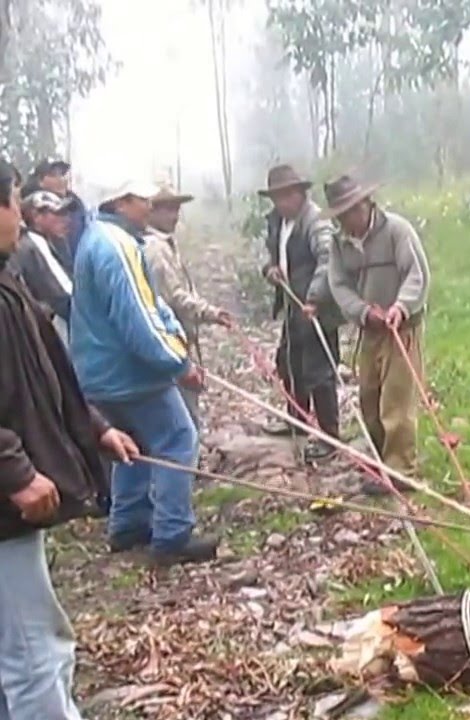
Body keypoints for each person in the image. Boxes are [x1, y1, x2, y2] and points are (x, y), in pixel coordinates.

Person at [0, 159, 139, 719]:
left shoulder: (7, 278)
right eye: (13, 201)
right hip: (5, 511)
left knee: (23, 652)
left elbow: (46, 371)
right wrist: (13, 469)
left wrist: (95, 428)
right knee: (36, 654)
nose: (20, 215)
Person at [70, 180, 216, 566]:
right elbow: (139, 320)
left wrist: (176, 343)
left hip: (100, 372)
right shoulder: (117, 248)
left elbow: (152, 305)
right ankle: (172, 534)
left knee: (130, 445)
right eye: (142, 199)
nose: (150, 205)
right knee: (177, 437)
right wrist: (178, 364)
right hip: (128, 373)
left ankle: (128, 524)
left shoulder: (98, 237)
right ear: (121, 202)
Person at [326, 174, 428, 478]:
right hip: (370, 329)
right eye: (341, 215)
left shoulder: (397, 230)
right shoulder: (338, 242)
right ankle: (380, 458)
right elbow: (339, 285)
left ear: (367, 204)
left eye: (352, 210)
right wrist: (362, 312)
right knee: (369, 397)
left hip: (402, 329)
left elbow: (416, 274)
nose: (348, 220)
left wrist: (401, 307)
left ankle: (400, 469)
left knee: (397, 400)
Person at [258, 165, 343, 461]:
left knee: (318, 372)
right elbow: (270, 257)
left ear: (301, 193)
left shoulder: (316, 222)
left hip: (316, 308)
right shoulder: (277, 222)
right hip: (293, 307)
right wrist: (270, 270)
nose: (282, 203)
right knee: (288, 363)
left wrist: (315, 297)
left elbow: (328, 259)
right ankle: (298, 421)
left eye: (287, 195)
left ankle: (330, 438)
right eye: (277, 197)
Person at [143, 186, 233, 431]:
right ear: (151, 213)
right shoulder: (156, 249)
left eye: (176, 209)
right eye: (167, 210)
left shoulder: (167, 245)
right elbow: (175, 297)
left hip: (178, 336)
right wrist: (211, 313)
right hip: (171, 340)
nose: (174, 216)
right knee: (183, 412)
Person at [12, 191, 74, 343]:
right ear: (36, 217)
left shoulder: (38, 241)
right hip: (50, 331)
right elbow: (65, 296)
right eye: (57, 213)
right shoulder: (35, 243)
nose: (65, 219)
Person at [22, 159, 89, 260]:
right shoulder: (29, 206)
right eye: (53, 174)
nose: (61, 178)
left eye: (63, 173)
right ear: (40, 180)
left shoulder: (77, 206)